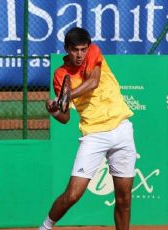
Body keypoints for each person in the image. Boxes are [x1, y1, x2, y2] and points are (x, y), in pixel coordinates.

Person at [39, 27, 137, 230]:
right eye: (75, 50)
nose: (80, 54)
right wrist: (55, 110)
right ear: (66, 49)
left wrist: (64, 97)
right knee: (72, 195)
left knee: (124, 197)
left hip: (121, 129)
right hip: (93, 135)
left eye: (83, 49)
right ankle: (45, 227)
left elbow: (93, 82)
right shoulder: (60, 75)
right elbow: (65, 117)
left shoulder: (94, 51)